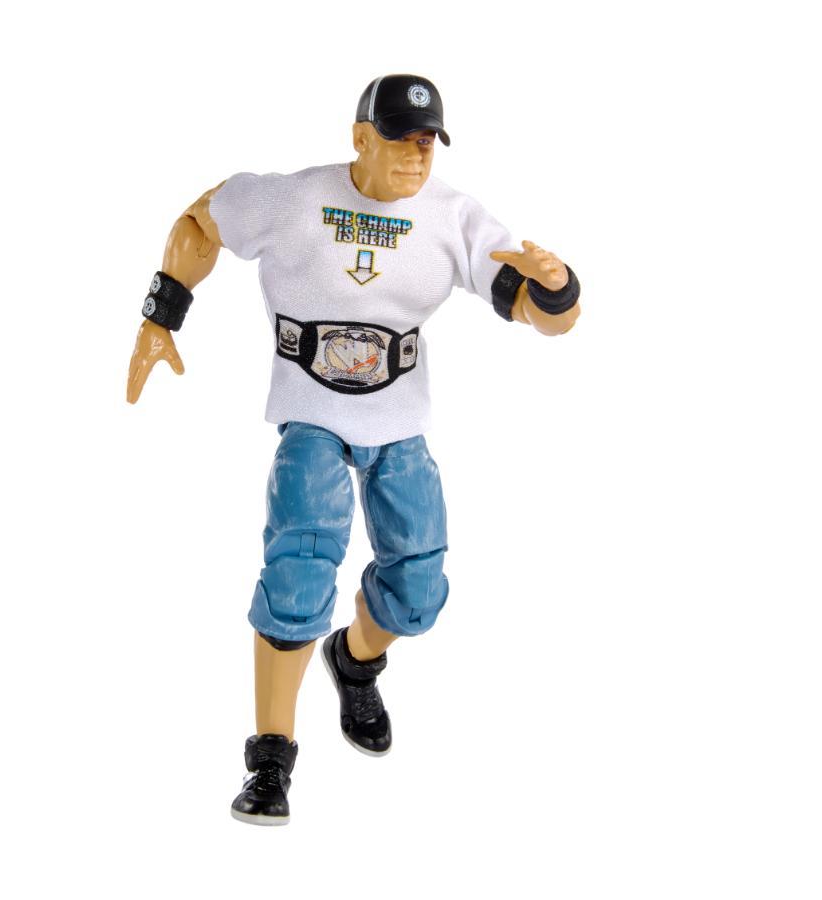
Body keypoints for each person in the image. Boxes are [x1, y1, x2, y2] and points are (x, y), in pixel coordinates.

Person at [127, 74, 581, 826]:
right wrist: (160, 314)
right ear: (360, 137)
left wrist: (558, 289)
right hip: (312, 410)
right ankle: (271, 757)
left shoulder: (452, 216)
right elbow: (202, 220)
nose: (416, 154)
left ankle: (356, 659)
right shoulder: (295, 200)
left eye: (428, 140)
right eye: (399, 138)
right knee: (298, 570)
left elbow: (540, 310)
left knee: (420, 583)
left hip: (398, 415)